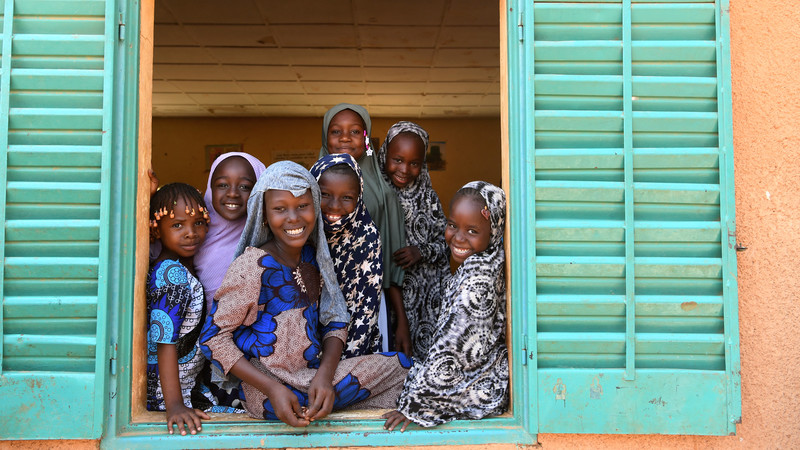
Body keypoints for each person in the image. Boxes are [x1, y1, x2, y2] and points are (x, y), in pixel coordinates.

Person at [200, 161, 412, 426]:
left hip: (312, 378)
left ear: (315, 207)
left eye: (303, 206)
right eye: (280, 209)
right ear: (265, 215)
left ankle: (322, 398)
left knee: (402, 367)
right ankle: (318, 402)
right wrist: (273, 388)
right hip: (268, 389)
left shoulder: (312, 258)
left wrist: (324, 376)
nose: (293, 218)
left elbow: (335, 320)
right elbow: (213, 339)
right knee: (301, 398)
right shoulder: (252, 265)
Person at [383, 181, 509, 431]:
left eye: (472, 231)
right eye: (452, 225)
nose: (458, 237)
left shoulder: (479, 280)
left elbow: (455, 349)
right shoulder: (484, 262)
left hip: (479, 384)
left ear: (493, 230)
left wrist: (417, 403)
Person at [146, 183, 241, 436]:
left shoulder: (179, 266)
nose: (191, 233)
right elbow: (164, 341)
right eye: (177, 225)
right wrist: (175, 406)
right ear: (156, 229)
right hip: (169, 397)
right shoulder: (171, 275)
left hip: (189, 388)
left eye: (199, 222)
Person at [319, 103, 410, 355]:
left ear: (366, 137)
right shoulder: (310, 183)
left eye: (355, 131)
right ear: (325, 137)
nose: (345, 138)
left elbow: (391, 262)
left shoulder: (384, 194)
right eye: (336, 131)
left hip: (369, 301)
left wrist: (401, 320)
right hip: (318, 297)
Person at [377, 121, 450, 361]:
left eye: (414, 163)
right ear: (385, 152)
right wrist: (401, 320)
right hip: (390, 301)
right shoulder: (376, 196)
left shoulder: (429, 197)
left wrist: (422, 251)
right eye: (397, 159)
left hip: (429, 301)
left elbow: (447, 243)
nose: (405, 169)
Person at [310, 153, 383, 358]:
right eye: (324, 194)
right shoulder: (302, 232)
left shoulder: (366, 237)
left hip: (352, 348)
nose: (334, 205)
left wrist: (339, 366)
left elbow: (365, 312)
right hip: (302, 351)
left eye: (347, 197)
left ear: (359, 197)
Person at [194, 152, 266, 307]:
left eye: (245, 187)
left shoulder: (268, 240)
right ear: (210, 188)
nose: (233, 193)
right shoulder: (193, 234)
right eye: (223, 185)